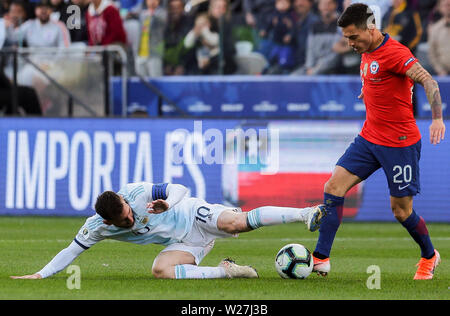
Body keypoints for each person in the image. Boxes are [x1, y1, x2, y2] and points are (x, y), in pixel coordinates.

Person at [312, 3, 445, 280]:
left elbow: (429, 82)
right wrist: (368, 89)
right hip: (369, 138)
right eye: (346, 38)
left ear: (371, 28)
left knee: (401, 211)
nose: (350, 43)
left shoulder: (396, 53)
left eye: (353, 37)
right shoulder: (366, 49)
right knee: (333, 186)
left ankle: (429, 256)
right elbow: (377, 76)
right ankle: (320, 258)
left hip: (399, 143)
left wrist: (437, 119)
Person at [10, 182, 327, 280]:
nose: (130, 219)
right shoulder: (97, 228)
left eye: (127, 212)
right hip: (187, 242)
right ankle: (228, 271)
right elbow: (71, 250)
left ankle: (306, 213)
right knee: (160, 270)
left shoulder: (136, 193)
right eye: (123, 221)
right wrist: (40, 275)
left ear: (123, 200)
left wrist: (168, 203)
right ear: (108, 224)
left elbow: (180, 188)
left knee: (237, 223)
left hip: (193, 215)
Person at [303, 0, 341, 75]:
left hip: (333, 71)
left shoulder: (341, 24)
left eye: (329, 3)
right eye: (323, 4)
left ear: (335, 5)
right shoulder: (314, 25)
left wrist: (316, 70)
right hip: (312, 69)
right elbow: (310, 49)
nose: (326, 6)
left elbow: (336, 53)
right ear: (318, 6)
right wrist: (309, 67)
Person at [134, 0, 167, 77]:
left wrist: (152, 13)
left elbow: (163, 20)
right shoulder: (142, 13)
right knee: (141, 83)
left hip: (154, 54)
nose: (152, 1)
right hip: (140, 54)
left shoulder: (162, 13)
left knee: (155, 82)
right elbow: (132, 12)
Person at [427, 0, 450, 76]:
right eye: (445, 5)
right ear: (439, 8)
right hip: (443, 73)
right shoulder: (434, 29)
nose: (448, 7)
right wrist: (440, 70)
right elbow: (432, 54)